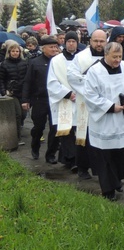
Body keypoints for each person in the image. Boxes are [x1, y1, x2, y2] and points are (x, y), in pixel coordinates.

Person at [82, 42, 124, 201]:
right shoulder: (95, 71)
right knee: (106, 156)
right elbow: (90, 95)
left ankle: (117, 178)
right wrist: (109, 106)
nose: (117, 60)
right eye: (114, 57)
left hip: (123, 117)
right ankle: (108, 190)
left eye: (119, 56)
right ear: (105, 55)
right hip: (104, 120)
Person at [67, 29, 108, 180]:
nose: (99, 44)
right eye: (96, 41)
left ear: (106, 41)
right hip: (85, 102)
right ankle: (83, 168)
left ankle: (101, 170)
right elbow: (72, 76)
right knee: (84, 136)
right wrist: (92, 87)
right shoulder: (80, 57)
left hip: (104, 103)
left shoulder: (110, 55)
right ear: (90, 41)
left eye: (102, 41)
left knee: (102, 137)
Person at [21, 35, 61, 162]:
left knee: (55, 128)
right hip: (40, 100)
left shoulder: (60, 62)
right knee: (39, 127)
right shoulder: (35, 62)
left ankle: (51, 154)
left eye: (56, 47)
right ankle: (35, 146)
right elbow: (27, 82)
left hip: (56, 100)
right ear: (43, 48)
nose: (54, 49)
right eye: (51, 47)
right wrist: (25, 100)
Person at [46, 31, 80, 171]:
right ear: (64, 43)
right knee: (67, 131)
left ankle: (70, 158)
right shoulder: (56, 60)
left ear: (77, 43)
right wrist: (67, 94)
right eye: (69, 41)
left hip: (80, 99)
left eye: (74, 41)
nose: (71, 44)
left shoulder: (81, 58)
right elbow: (52, 82)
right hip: (64, 100)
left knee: (79, 130)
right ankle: (72, 161)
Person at [0, 40, 28, 144]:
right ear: (9, 52)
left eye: (17, 51)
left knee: (24, 115)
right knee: (18, 114)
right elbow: (1, 79)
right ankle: (17, 137)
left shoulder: (24, 63)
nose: (15, 53)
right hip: (12, 93)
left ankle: (18, 129)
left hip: (23, 92)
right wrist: (4, 92)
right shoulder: (5, 64)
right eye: (13, 51)